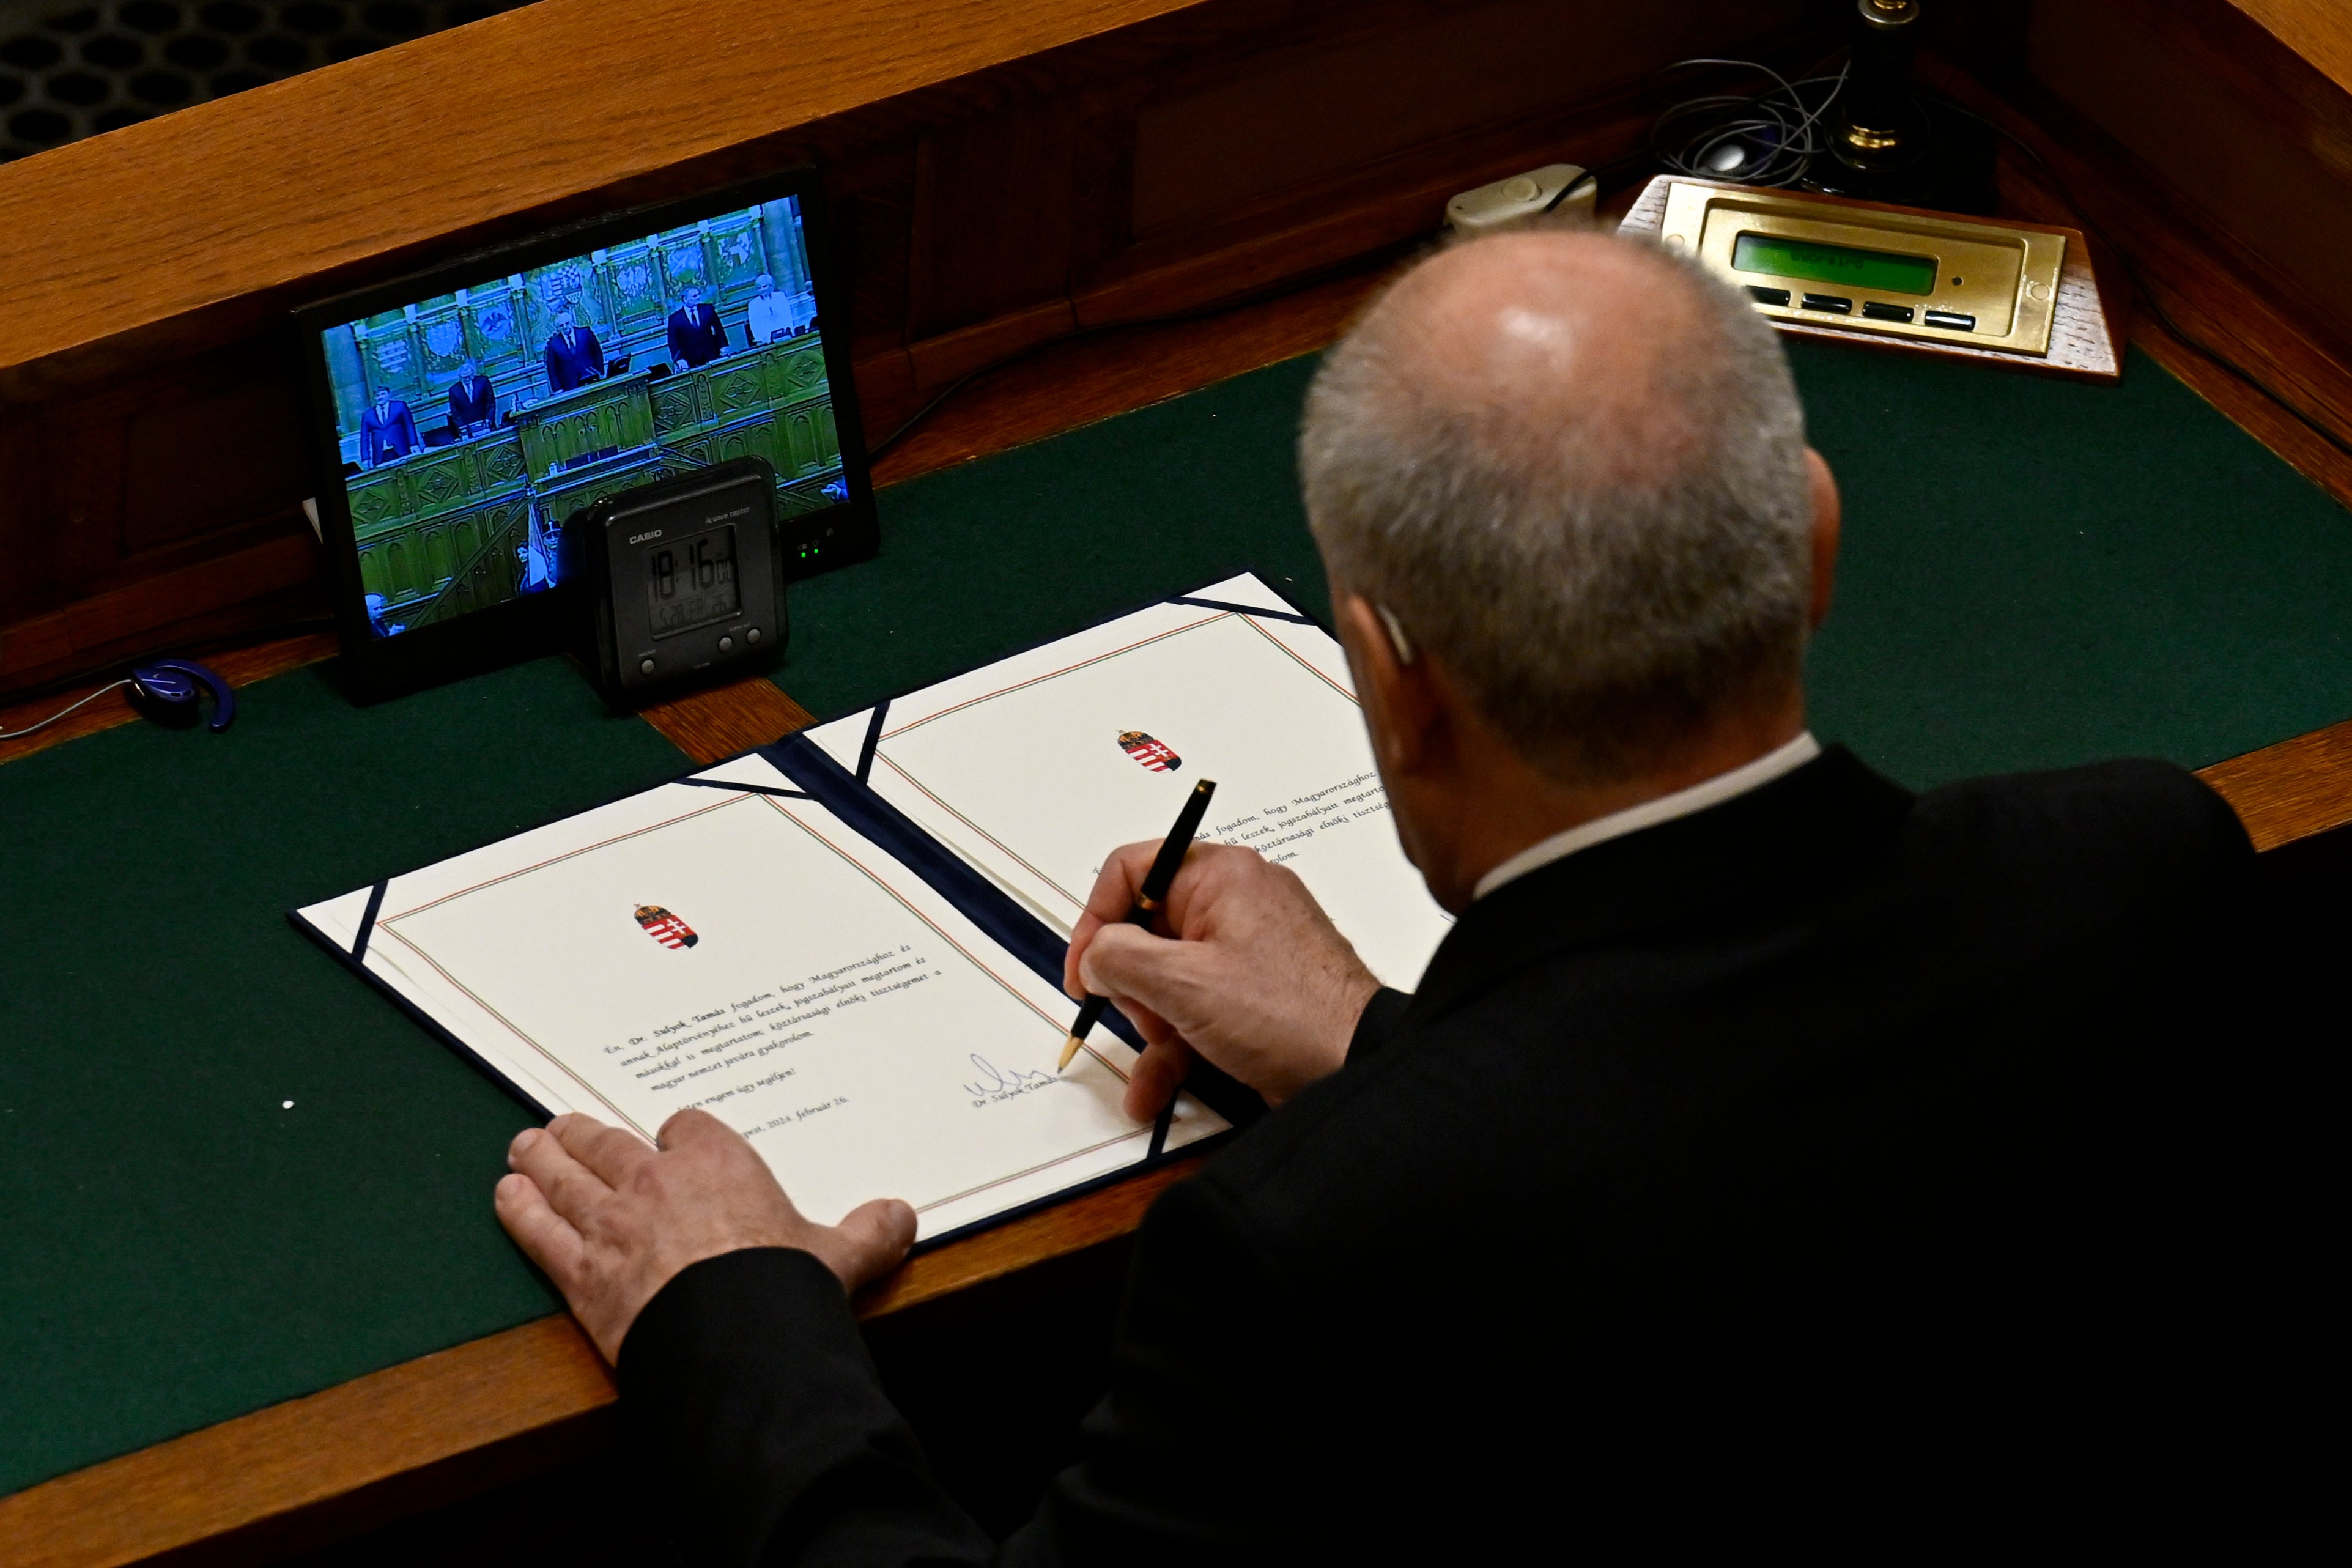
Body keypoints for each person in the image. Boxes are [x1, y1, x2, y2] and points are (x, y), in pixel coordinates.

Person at [492, 230, 2290, 1555]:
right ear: (1811, 540)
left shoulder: (1320, 1236)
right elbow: (1737, 1209)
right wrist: (1378, 1048)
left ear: (1393, 674)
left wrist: (730, 1310)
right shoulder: (2144, 871)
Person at [667, 283, 730, 371]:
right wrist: (679, 360)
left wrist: (723, 346)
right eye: (694, 296)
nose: (698, 298)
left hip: (712, 354)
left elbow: (719, 330)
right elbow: (673, 342)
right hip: (690, 360)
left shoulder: (708, 310)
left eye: (698, 294)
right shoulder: (675, 319)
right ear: (685, 299)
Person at [543, 305, 603, 394]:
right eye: (561, 325)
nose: (565, 327)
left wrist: (600, 372)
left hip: (591, 377)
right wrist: (557, 389)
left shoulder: (585, 333)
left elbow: (597, 353)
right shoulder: (553, 345)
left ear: (572, 322)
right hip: (569, 385)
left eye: (567, 323)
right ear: (558, 328)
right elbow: (552, 369)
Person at [355, 385, 420, 467]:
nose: (380, 397)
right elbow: (365, 438)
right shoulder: (368, 415)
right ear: (374, 398)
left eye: (383, 394)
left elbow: (409, 426)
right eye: (378, 396)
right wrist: (365, 458)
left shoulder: (400, 406)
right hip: (381, 456)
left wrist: (414, 444)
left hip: (402, 450)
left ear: (389, 394)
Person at [744, 272, 804, 344]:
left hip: (784, 335)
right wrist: (762, 339)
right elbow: (754, 325)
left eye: (765, 287)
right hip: (766, 340)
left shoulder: (780, 296)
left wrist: (788, 331)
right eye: (759, 288)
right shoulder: (753, 305)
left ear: (771, 286)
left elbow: (787, 315)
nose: (762, 290)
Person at [446, 358, 496, 438]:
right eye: (464, 378)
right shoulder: (454, 391)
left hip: (486, 423)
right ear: (460, 377)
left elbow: (490, 403)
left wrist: (489, 418)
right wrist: (462, 427)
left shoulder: (483, 382)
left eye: (469, 377)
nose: (467, 380)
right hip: (467, 429)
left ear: (473, 374)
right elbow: (455, 412)